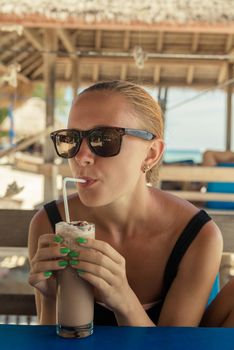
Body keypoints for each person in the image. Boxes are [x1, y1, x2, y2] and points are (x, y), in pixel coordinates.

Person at [28, 80, 234, 327]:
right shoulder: (50, 223)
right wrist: (51, 298)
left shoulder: (197, 235)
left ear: (151, 154)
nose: (81, 156)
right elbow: (52, 339)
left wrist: (123, 299)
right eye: (71, 139)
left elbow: (172, 348)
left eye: (103, 139)